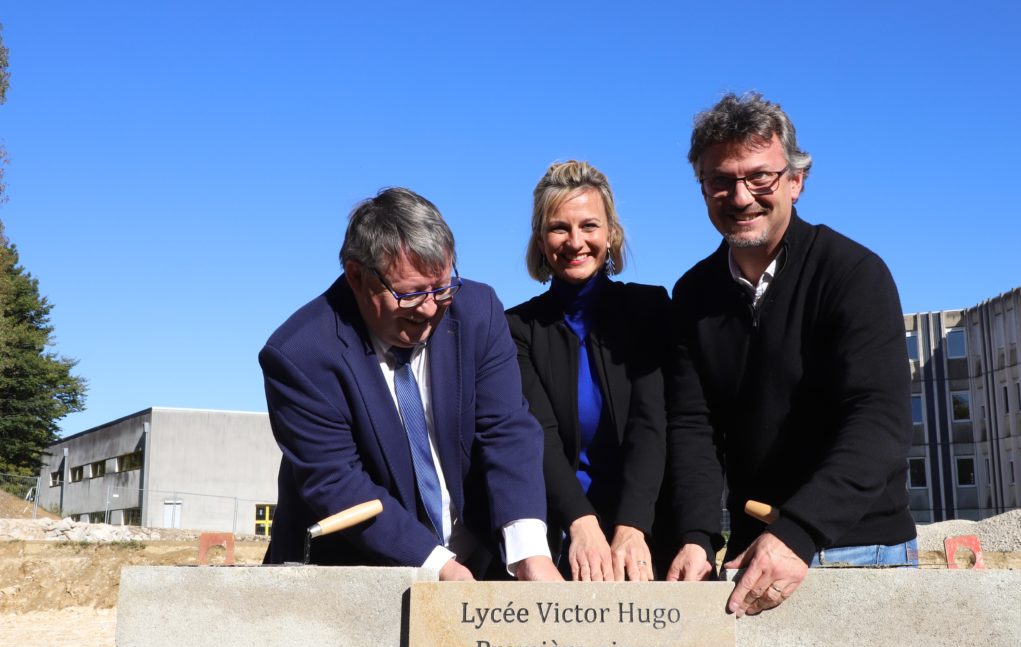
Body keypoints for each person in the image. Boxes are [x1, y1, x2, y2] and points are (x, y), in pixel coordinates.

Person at [665, 92, 916, 615]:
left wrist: (801, 530)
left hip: (857, 551)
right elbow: (694, 426)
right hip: (750, 554)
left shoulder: (853, 275)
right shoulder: (692, 294)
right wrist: (694, 533)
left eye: (760, 177)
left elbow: (879, 421)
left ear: (796, 181)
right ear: (703, 188)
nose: (740, 196)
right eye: (721, 180)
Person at [260, 187, 560, 582]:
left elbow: (506, 432)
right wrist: (438, 566)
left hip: (480, 564)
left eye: (442, 287)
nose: (431, 308)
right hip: (355, 579)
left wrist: (529, 553)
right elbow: (336, 482)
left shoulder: (478, 312)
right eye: (412, 293)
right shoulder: (301, 355)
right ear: (356, 276)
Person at [506, 161, 671, 581]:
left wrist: (632, 526)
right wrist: (580, 522)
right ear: (541, 241)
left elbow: (651, 424)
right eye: (559, 228)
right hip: (562, 535)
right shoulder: (516, 328)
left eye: (589, 226)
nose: (575, 241)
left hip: (642, 532)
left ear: (611, 234)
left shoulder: (649, 310)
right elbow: (535, 431)